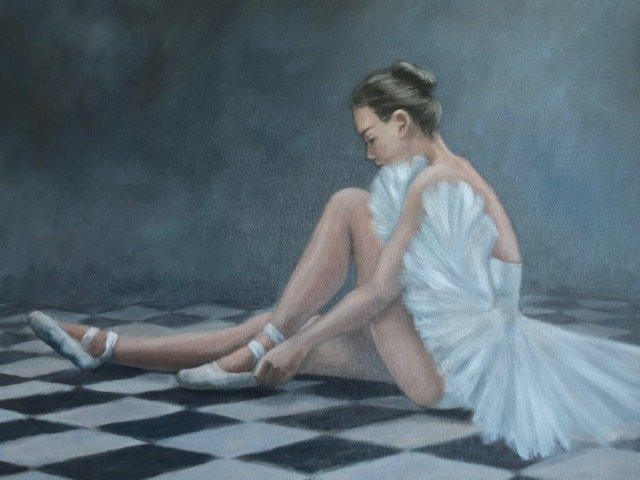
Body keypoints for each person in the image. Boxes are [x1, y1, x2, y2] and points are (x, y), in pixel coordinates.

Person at [28, 61, 640, 460]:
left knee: (347, 206)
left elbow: (379, 294)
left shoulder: (434, 183)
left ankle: (268, 340)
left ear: (401, 122)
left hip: (442, 370)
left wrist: (295, 343)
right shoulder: (462, 173)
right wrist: (295, 341)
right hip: (451, 365)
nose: (369, 152)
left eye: (370, 137)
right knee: (263, 327)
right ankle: (105, 347)